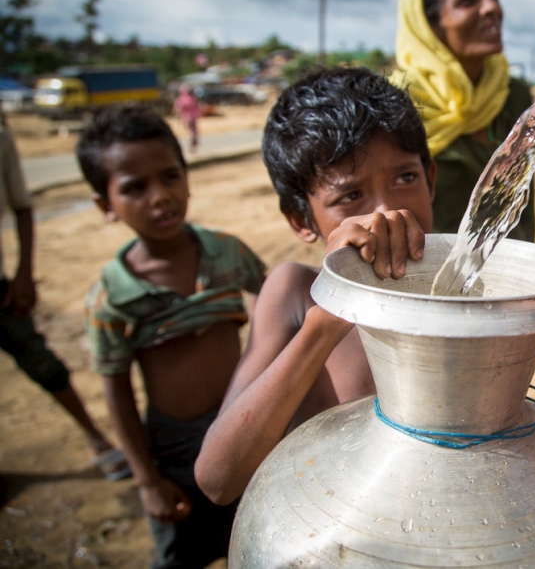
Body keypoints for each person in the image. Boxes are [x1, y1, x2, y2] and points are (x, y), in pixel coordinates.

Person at [194, 67, 434, 506]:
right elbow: (218, 478)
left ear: (431, 179)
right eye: (349, 196)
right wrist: (331, 313)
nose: (384, 213)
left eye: (405, 178)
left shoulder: (458, 289)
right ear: (302, 220)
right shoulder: (296, 293)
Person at [76, 104, 267, 568]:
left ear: (186, 177)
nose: (159, 196)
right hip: (172, 445)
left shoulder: (227, 253)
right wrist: (146, 480)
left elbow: (274, 305)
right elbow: (116, 388)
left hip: (245, 420)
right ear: (105, 205)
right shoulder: (112, 298)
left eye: (169, 177)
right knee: (182, 551)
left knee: (256, 533)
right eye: (134, 188)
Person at [0, 113, 131, 483]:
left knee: (42, 363)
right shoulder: (107, 297)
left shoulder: (2, 137)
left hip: (2, 290)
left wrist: (24, 272)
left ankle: (95, 437)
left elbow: (21, 204)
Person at [390, 0, 535, 241]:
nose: (492, 7)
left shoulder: (512, 94)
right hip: (429, 275)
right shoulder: (398, 103)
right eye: (468, 1)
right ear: (429, 26)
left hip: (514, 272)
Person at [173, 84, 202, 153]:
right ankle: (193, 144)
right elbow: (198, 107)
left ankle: (192, 144)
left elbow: (178, 109)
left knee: (191, 131)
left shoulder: (181, 100)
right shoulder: (192, 98)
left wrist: (179, 117)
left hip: (186, 118)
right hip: (193, 117)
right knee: (193, 131)